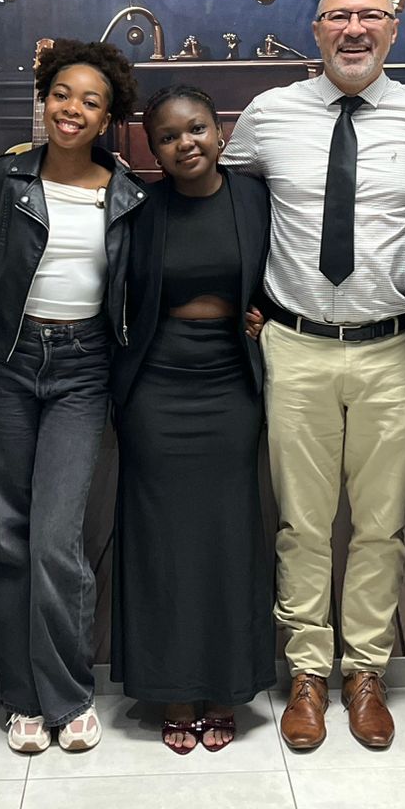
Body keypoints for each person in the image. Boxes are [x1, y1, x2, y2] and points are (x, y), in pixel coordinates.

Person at [222, 0, 405, 751]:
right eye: (338, 17)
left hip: (394, 348)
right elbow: (227, 209)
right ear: (315, 30)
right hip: (295, 347)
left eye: (370, 16)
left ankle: (367, 672)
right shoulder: (268, 116)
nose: (355, 29)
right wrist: (240, 298)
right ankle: (308, 673)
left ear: (394, 27)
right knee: (303, 523)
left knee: (382, 523)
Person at [0, 38, 145, 753]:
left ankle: (68, 693)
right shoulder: (4, 176)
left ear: (108, 117)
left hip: (82, 368)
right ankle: (22, 697)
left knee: (54, 539)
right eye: (61, 95)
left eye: (90, 101)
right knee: (5, 536)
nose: (72, 110)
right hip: (6, 363)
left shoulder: (127, 194)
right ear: (44, 99)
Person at [110, 85, 274, 754]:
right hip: (157, 386)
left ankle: (225, 685)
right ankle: (172, 687)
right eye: (169, 136)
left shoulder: (255, 199)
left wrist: (263, 316)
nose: (186, 144)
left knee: (228, 536)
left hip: (232, 383)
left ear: (220, 132)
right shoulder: (140, 210)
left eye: (197, 128)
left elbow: (285, 271)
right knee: (161, 540)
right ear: (153, 147)